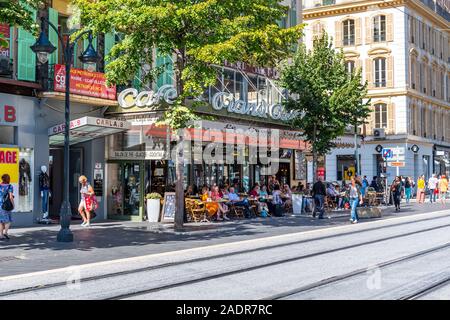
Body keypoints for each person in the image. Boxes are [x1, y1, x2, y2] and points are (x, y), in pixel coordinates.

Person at [0, 174, 14, 240]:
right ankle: (5, 232)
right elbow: (11, 197)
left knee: (1, 221)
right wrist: (13, 204)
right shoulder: (9, 186)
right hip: (6, 206)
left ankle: (1, 235)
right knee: (8, 220)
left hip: (0, 205)